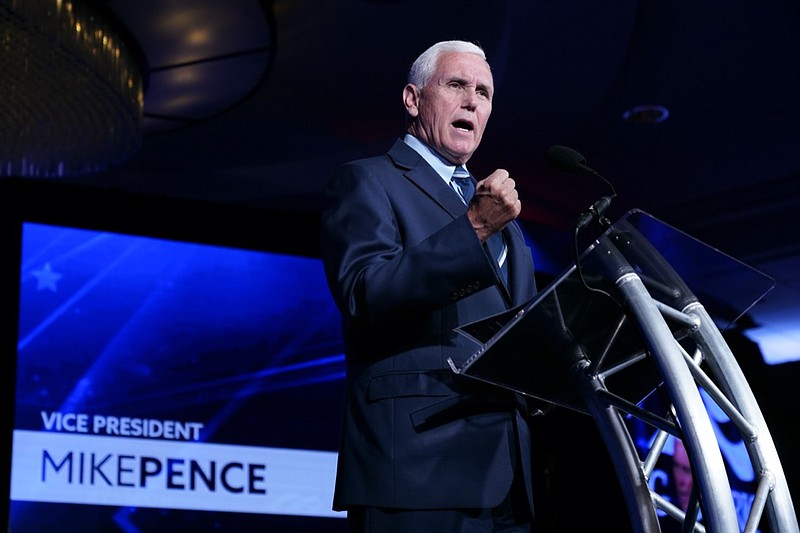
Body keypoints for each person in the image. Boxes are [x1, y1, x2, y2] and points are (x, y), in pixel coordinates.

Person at [321, 40, 540, 532]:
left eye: (483, 92)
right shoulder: (368, 181)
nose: (472, 101)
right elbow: (365, 293)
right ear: (413, 100)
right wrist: (476, 229)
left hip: (507, 475)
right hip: (416, 468)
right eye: (456, 85)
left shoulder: (506, 221)